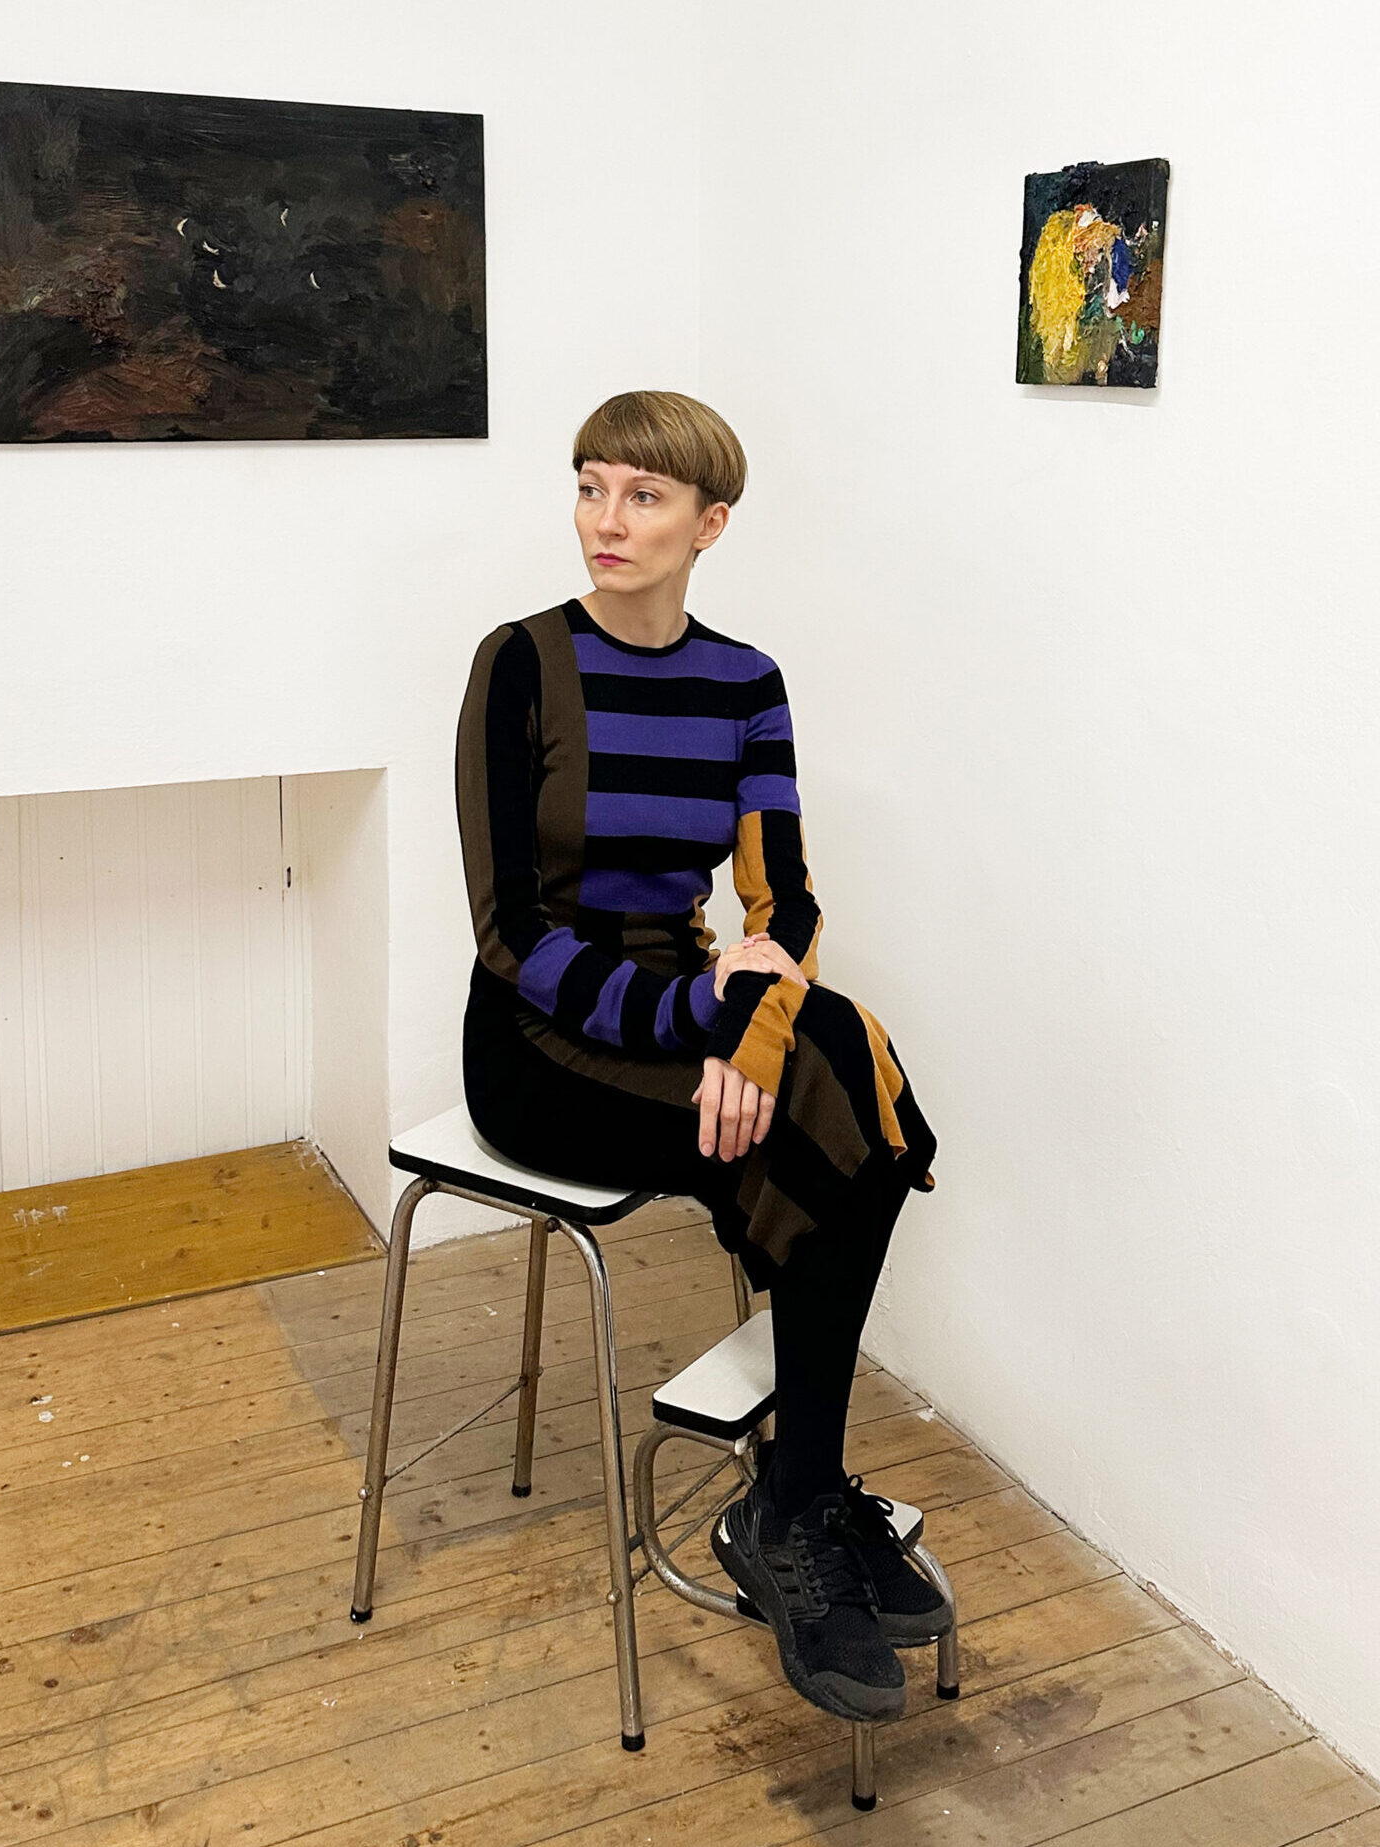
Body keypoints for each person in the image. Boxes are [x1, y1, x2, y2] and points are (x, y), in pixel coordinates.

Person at [454, 389, 946, 1723]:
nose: (604, 521)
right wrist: (704, 1026)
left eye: (643, 496)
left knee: (844, 1076)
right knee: (842, 1125)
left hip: (693, 999)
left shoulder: (745, 684)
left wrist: (751, 1028)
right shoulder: (521, 665)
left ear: (709, 524)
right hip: (543, 1037)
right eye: (589, 487)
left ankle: (793, 1501)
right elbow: (509, 934)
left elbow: (785, 904)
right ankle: (800, 1506)